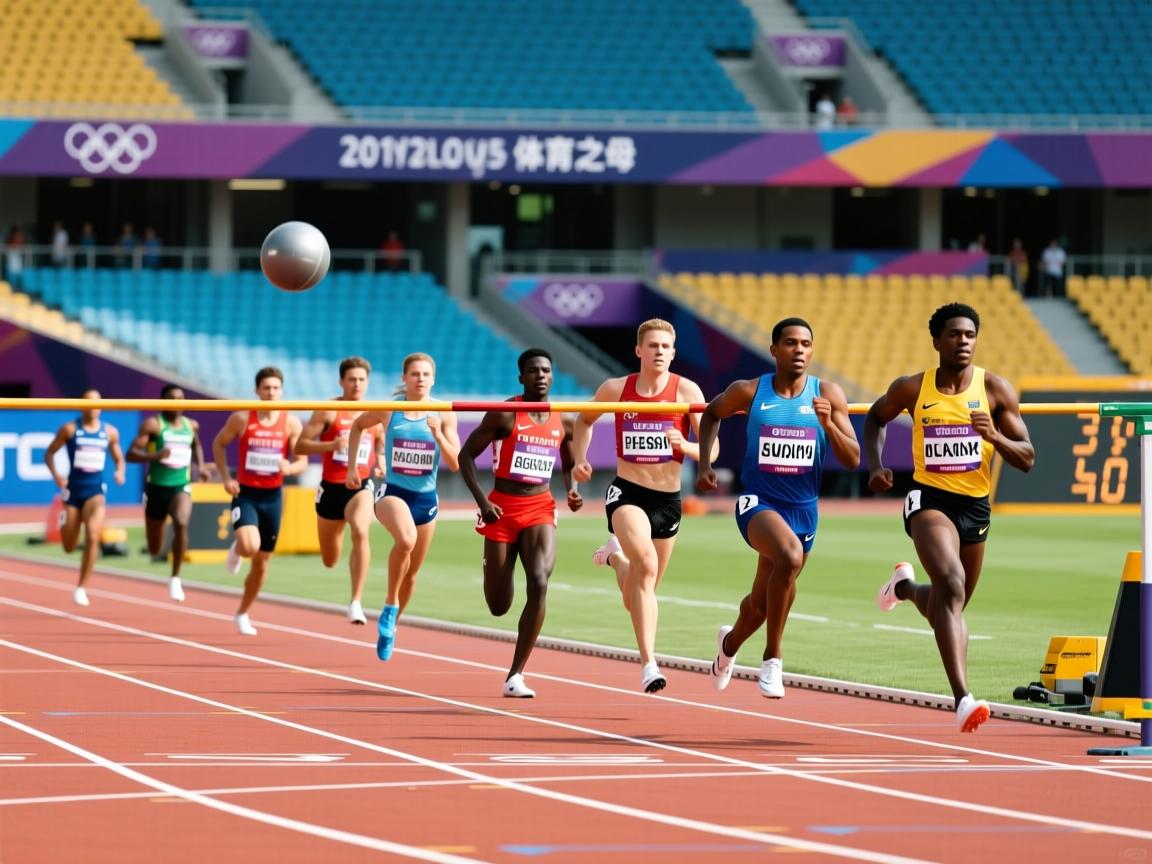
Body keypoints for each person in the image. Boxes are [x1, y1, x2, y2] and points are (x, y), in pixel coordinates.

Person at [864, 302, 1034, 733]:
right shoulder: (912, 388)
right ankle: (962, 699)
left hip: (974, 506)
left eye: (970, 335)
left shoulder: (995, 389)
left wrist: (993, 435)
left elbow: (1028, 458)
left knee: (948, 605)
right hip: (928, 500)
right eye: (955, 335)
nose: (963, 342)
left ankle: (902, 588)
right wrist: (876, 465)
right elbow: (875, 418)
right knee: (952, 586)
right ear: (937, 341)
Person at [697, 318, 860, 699]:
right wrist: (704, 464)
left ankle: (729, 645)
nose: (799, 350)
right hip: (758, 502)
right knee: (788, 557)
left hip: (803, 510)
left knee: (761, 604)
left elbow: (853, 458)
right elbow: (711, 414)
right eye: (790, 343)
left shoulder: (827, 394)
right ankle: (773, 660)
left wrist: (829, 425)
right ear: (774, 350)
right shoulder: (750, 391)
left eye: (806, 343)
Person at [571, 318, 713, 693]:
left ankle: (615, 559)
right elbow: (582, 422)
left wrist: (687, 448)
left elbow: (712, 449)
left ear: (674, 352)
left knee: (638, 594)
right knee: (646, 567)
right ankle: (649, 664)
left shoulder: (686, 390)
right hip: (627, 494)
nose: (659, 352)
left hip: (668, 501)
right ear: (639, 350)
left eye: (666, 347)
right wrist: (579, 459)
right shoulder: (616, 389)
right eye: (653, 346)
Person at [458, 348, 583, 697]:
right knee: (498, 606)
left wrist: (572, 490)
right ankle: (499, 572)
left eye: (545, 370)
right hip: (500, 509)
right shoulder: (504, 415)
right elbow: (465, 455)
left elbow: (569, 461)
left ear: (552, 376)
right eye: (532, 371)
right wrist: (483, 503)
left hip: (540, 507)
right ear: (521, 377)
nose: (540, 375)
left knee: (540, 581)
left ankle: (516, 674)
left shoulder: (564, 420)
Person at [345, 352, 461, 659]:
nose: (420, 379)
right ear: (404, 378)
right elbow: (357, 426)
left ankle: (391, 623)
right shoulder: (389, 409)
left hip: (426, 501)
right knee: (405, 540)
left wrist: (438, 434)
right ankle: (390, 606)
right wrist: (352, 467)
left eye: (425, 374)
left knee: (412, 574)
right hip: (393, 494)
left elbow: (455, 463)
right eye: (415, 374)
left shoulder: (444, 414)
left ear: (433, 379)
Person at [212, 367, 307, 635]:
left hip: (273, 497)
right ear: (257, 390)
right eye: (266, 388)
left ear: (282, 391)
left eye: (276, 388)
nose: (271, 393)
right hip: (246, 494)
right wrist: (225, 477)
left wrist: (289, 468)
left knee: (262, 563)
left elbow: (301, 462)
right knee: (250, 545)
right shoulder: (242, 418)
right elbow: (219, 444)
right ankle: (239, 546)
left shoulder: (291, 423)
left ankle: (243, 612)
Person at [295, 356, 383, 625]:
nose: (357, 384)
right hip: (330, 490)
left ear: (367, 382)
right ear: (341, 382)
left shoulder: (376, 412)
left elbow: (379, 443)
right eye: (352, 380)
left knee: (360, 529)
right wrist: (331, 445)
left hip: (360, 486)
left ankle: (356, 602)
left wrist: (380, 461)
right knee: (330, 558)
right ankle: (337, 538)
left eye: (361, 380)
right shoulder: (328, 411)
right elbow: (300, 446)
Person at [42, 389, 127, 606]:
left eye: (97, 403)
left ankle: (81, 587)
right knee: (69, 546)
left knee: (92, 535)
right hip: (73, 491)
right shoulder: (70, 429)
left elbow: (119, 458)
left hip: (96, 491)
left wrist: (120, 472)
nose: (93, 407)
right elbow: (49, 453)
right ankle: (68, 522)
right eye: (89, 403)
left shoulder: (109, 432)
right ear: (81, 405)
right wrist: (57, 476)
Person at [126, 383, 210, 602]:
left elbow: (196, 446)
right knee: (154, 548)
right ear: (163, 401)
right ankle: (159, 553)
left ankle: (175, 578)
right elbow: (131, 455)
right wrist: (156, 456)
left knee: (182, 522)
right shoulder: (153, 425)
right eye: (172, 399)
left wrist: (199, 467)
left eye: (181, 398)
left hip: (180, 486)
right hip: (156, 489)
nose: (178, 403)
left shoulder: (191, 425)